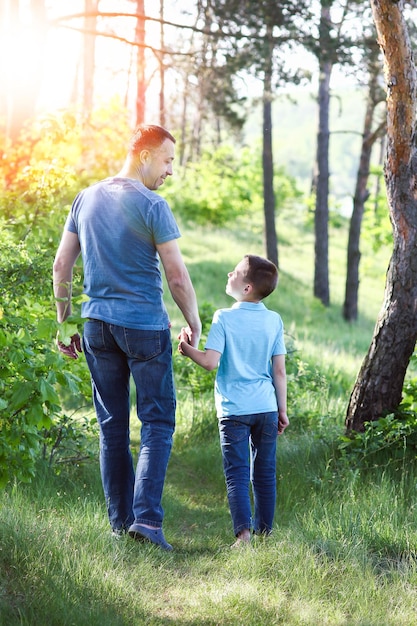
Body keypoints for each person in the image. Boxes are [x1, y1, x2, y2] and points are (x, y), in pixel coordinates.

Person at [53, 124, 201, 551]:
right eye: (168, 160)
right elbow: (175, 275)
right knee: (156, 421)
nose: (170, 170)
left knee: (112, 426)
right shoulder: (153, 205)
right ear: (144, 157)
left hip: (96, 325)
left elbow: (61, 266)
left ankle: (120, 526)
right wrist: (193, 321)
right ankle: (147, 523)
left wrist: (65, 323)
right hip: (143, 327)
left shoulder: (86, 197)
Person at [178, 254, 288, 547]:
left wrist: (186, 348)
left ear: (247, 287)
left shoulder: (224, 317)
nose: (229, 274)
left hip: (233, 410)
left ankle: (244, 536)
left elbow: (210, 362)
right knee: (265, 473)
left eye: (236, 272)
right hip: (266, 408)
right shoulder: (274, 320)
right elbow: (279, 371)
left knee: (237, 473)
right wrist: (282, 409)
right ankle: (266, 534)